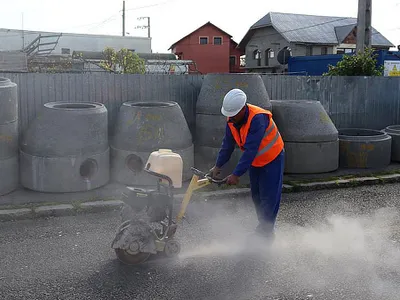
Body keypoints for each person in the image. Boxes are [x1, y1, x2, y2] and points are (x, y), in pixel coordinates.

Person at [210, 88, 285, 240]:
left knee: (269, 196)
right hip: (256, 161)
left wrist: (236, 174)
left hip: (272, 159)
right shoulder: (231, 120)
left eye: (233, 115)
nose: (230, 118)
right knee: (256, 196)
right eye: (228, 115)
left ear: (242, 109)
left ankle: (267, 233)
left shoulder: (258, 118)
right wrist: (218, 166)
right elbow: (227, 145)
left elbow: (251, 149)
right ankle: (263, 227)